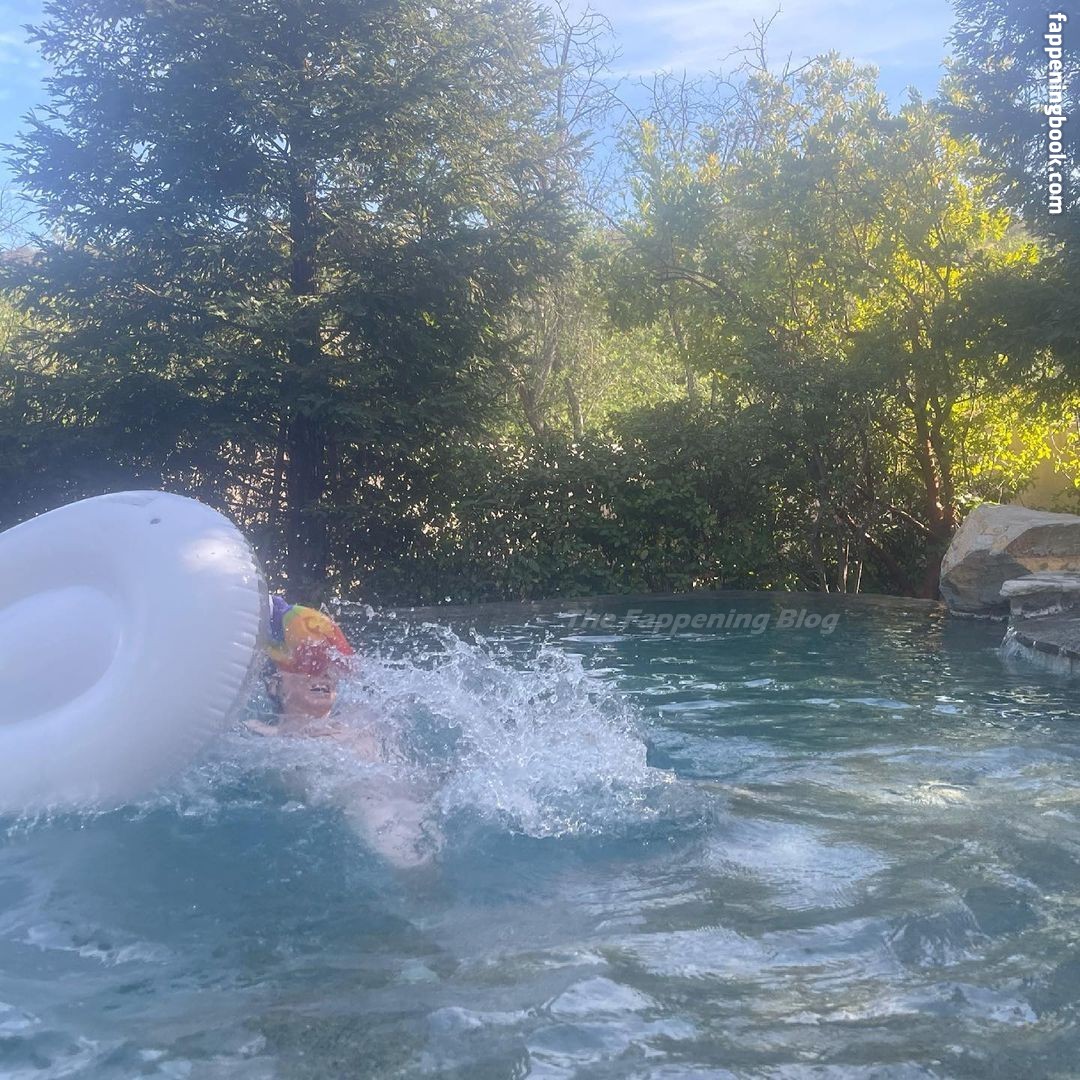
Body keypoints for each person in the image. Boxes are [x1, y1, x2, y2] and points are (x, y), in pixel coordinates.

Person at [246, 595, 440, 869]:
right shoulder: (262, 738)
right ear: (273, 684)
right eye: (308, 664)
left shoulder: (359, 716)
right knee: (405, 856)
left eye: (329, 665)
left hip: (417, 791)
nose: (324, 674)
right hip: (367, 800)